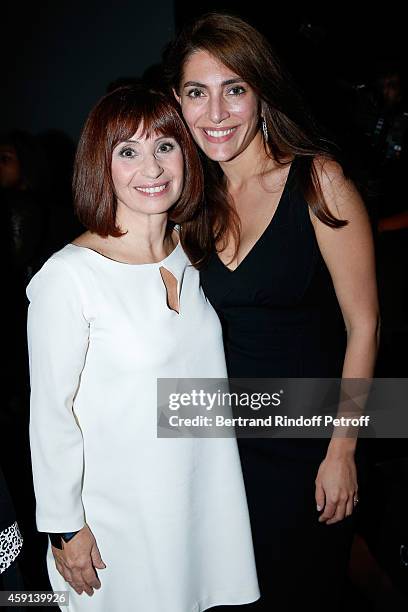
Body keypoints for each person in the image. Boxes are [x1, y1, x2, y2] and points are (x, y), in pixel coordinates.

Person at [164, 13, 379, 611]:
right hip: (219, 445)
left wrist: (343, 450)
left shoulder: (319, 181)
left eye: (234, 88)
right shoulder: (188, 202)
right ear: (177, 103)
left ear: (261, 93)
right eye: (196, 93)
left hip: (307, 443)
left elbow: (365, 325)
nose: (215, 113)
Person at [27, 84, 259, 612]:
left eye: (165, 146)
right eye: (127, 151)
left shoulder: (193, 254)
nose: (151, 167)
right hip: (117, 523)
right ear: (100, 167)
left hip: (200, 501)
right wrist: (65, 528)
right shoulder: (67, 277)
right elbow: (50, 415)